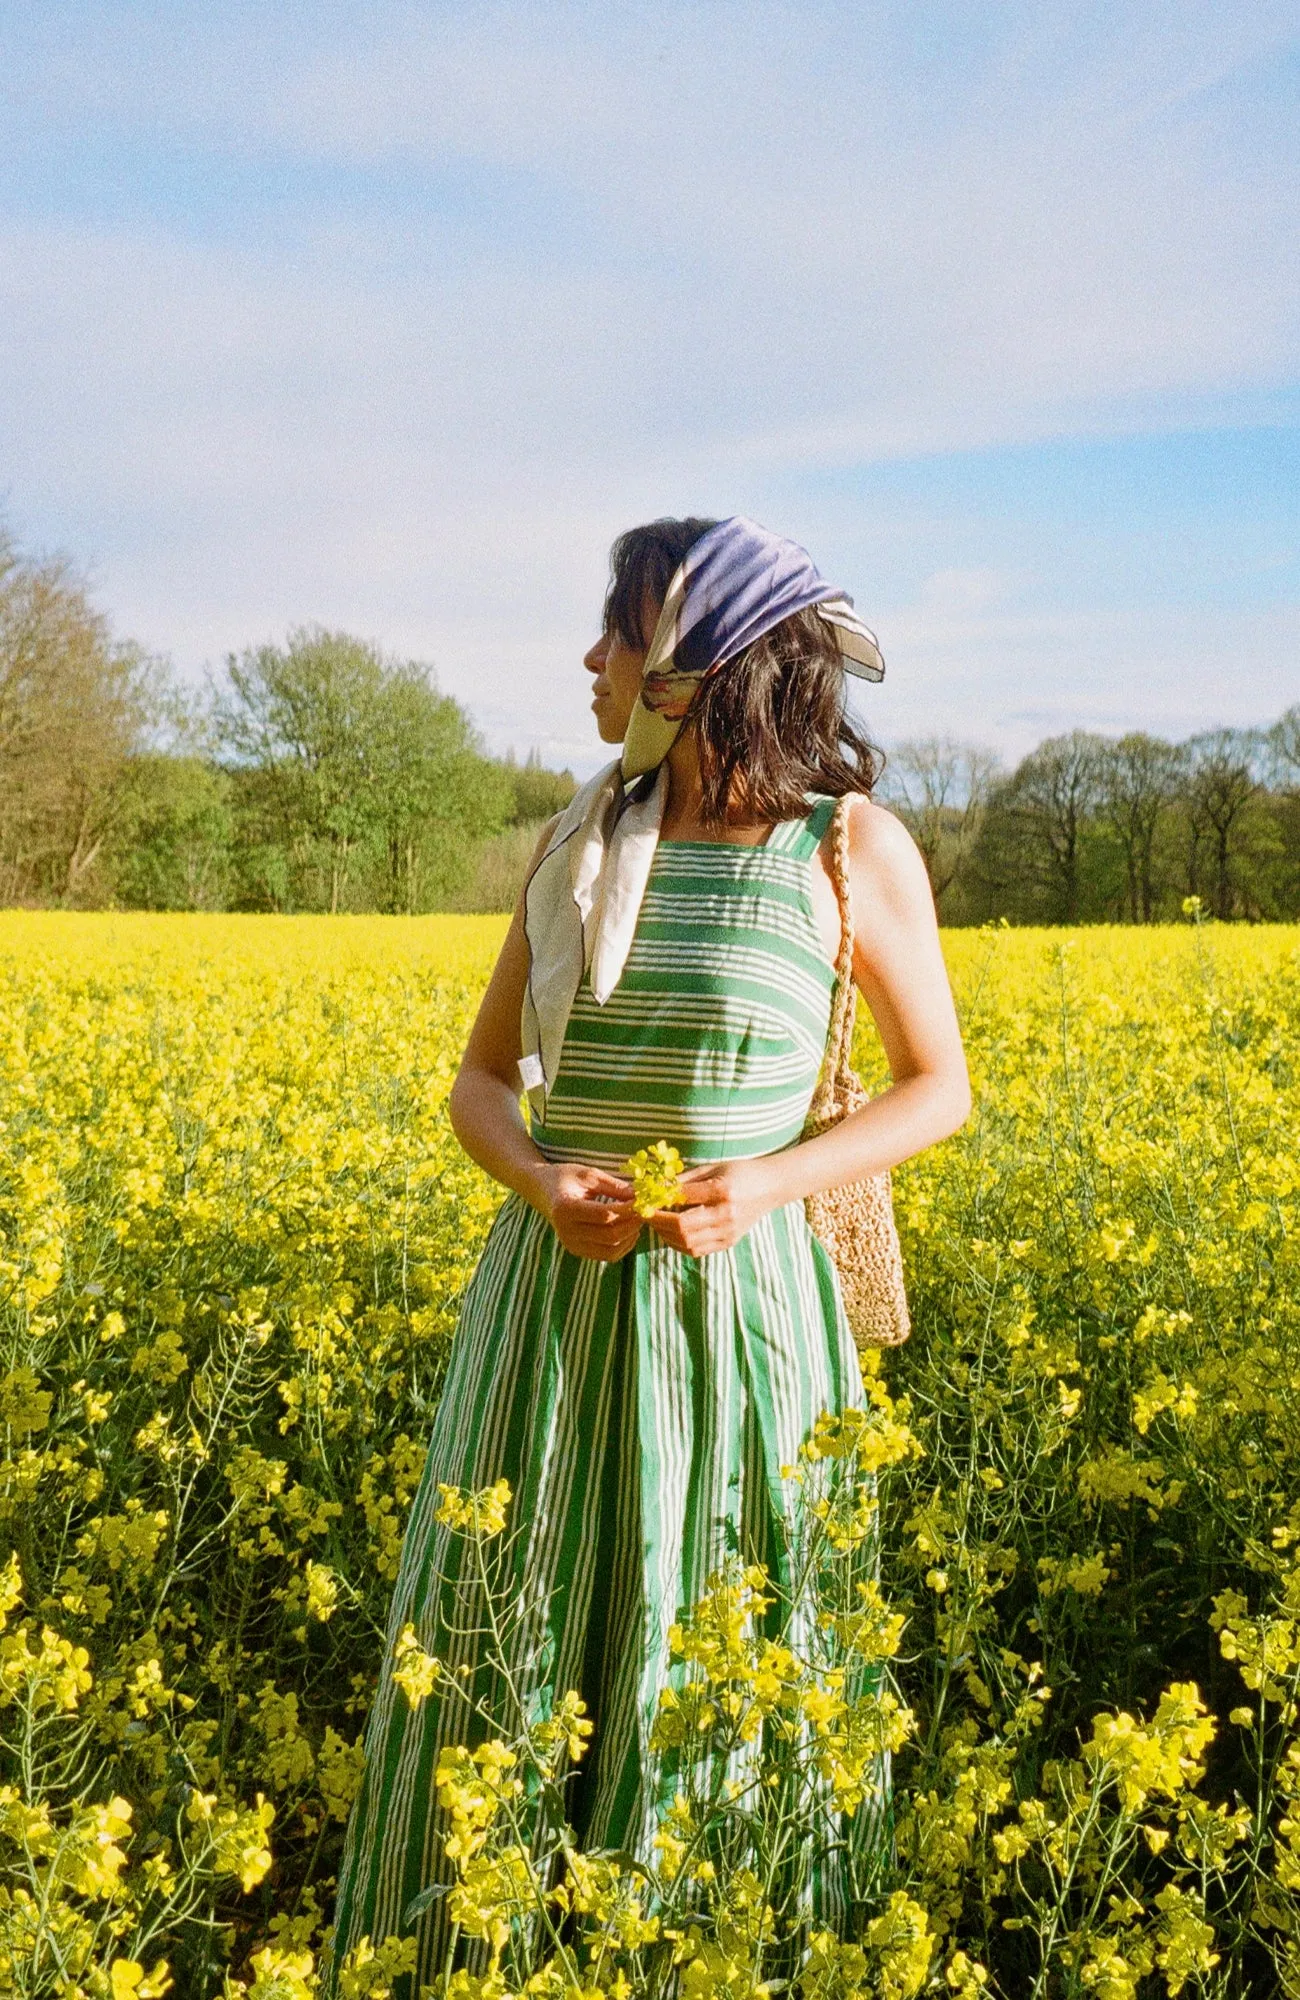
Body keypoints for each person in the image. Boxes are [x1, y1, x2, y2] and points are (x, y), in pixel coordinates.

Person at [327, 516, 970, 1989]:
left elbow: (942, 1088)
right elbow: (479, 1084)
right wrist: (547, 1180)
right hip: (553, 1303)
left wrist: (770, 1186)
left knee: (725, 1619)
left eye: (617, 632)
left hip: (747, 1308)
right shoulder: (574, 839)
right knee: (529, 1625)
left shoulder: (849, 850)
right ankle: (493, 1942)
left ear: (694, 665)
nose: (590, 660)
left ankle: (722, 1947)